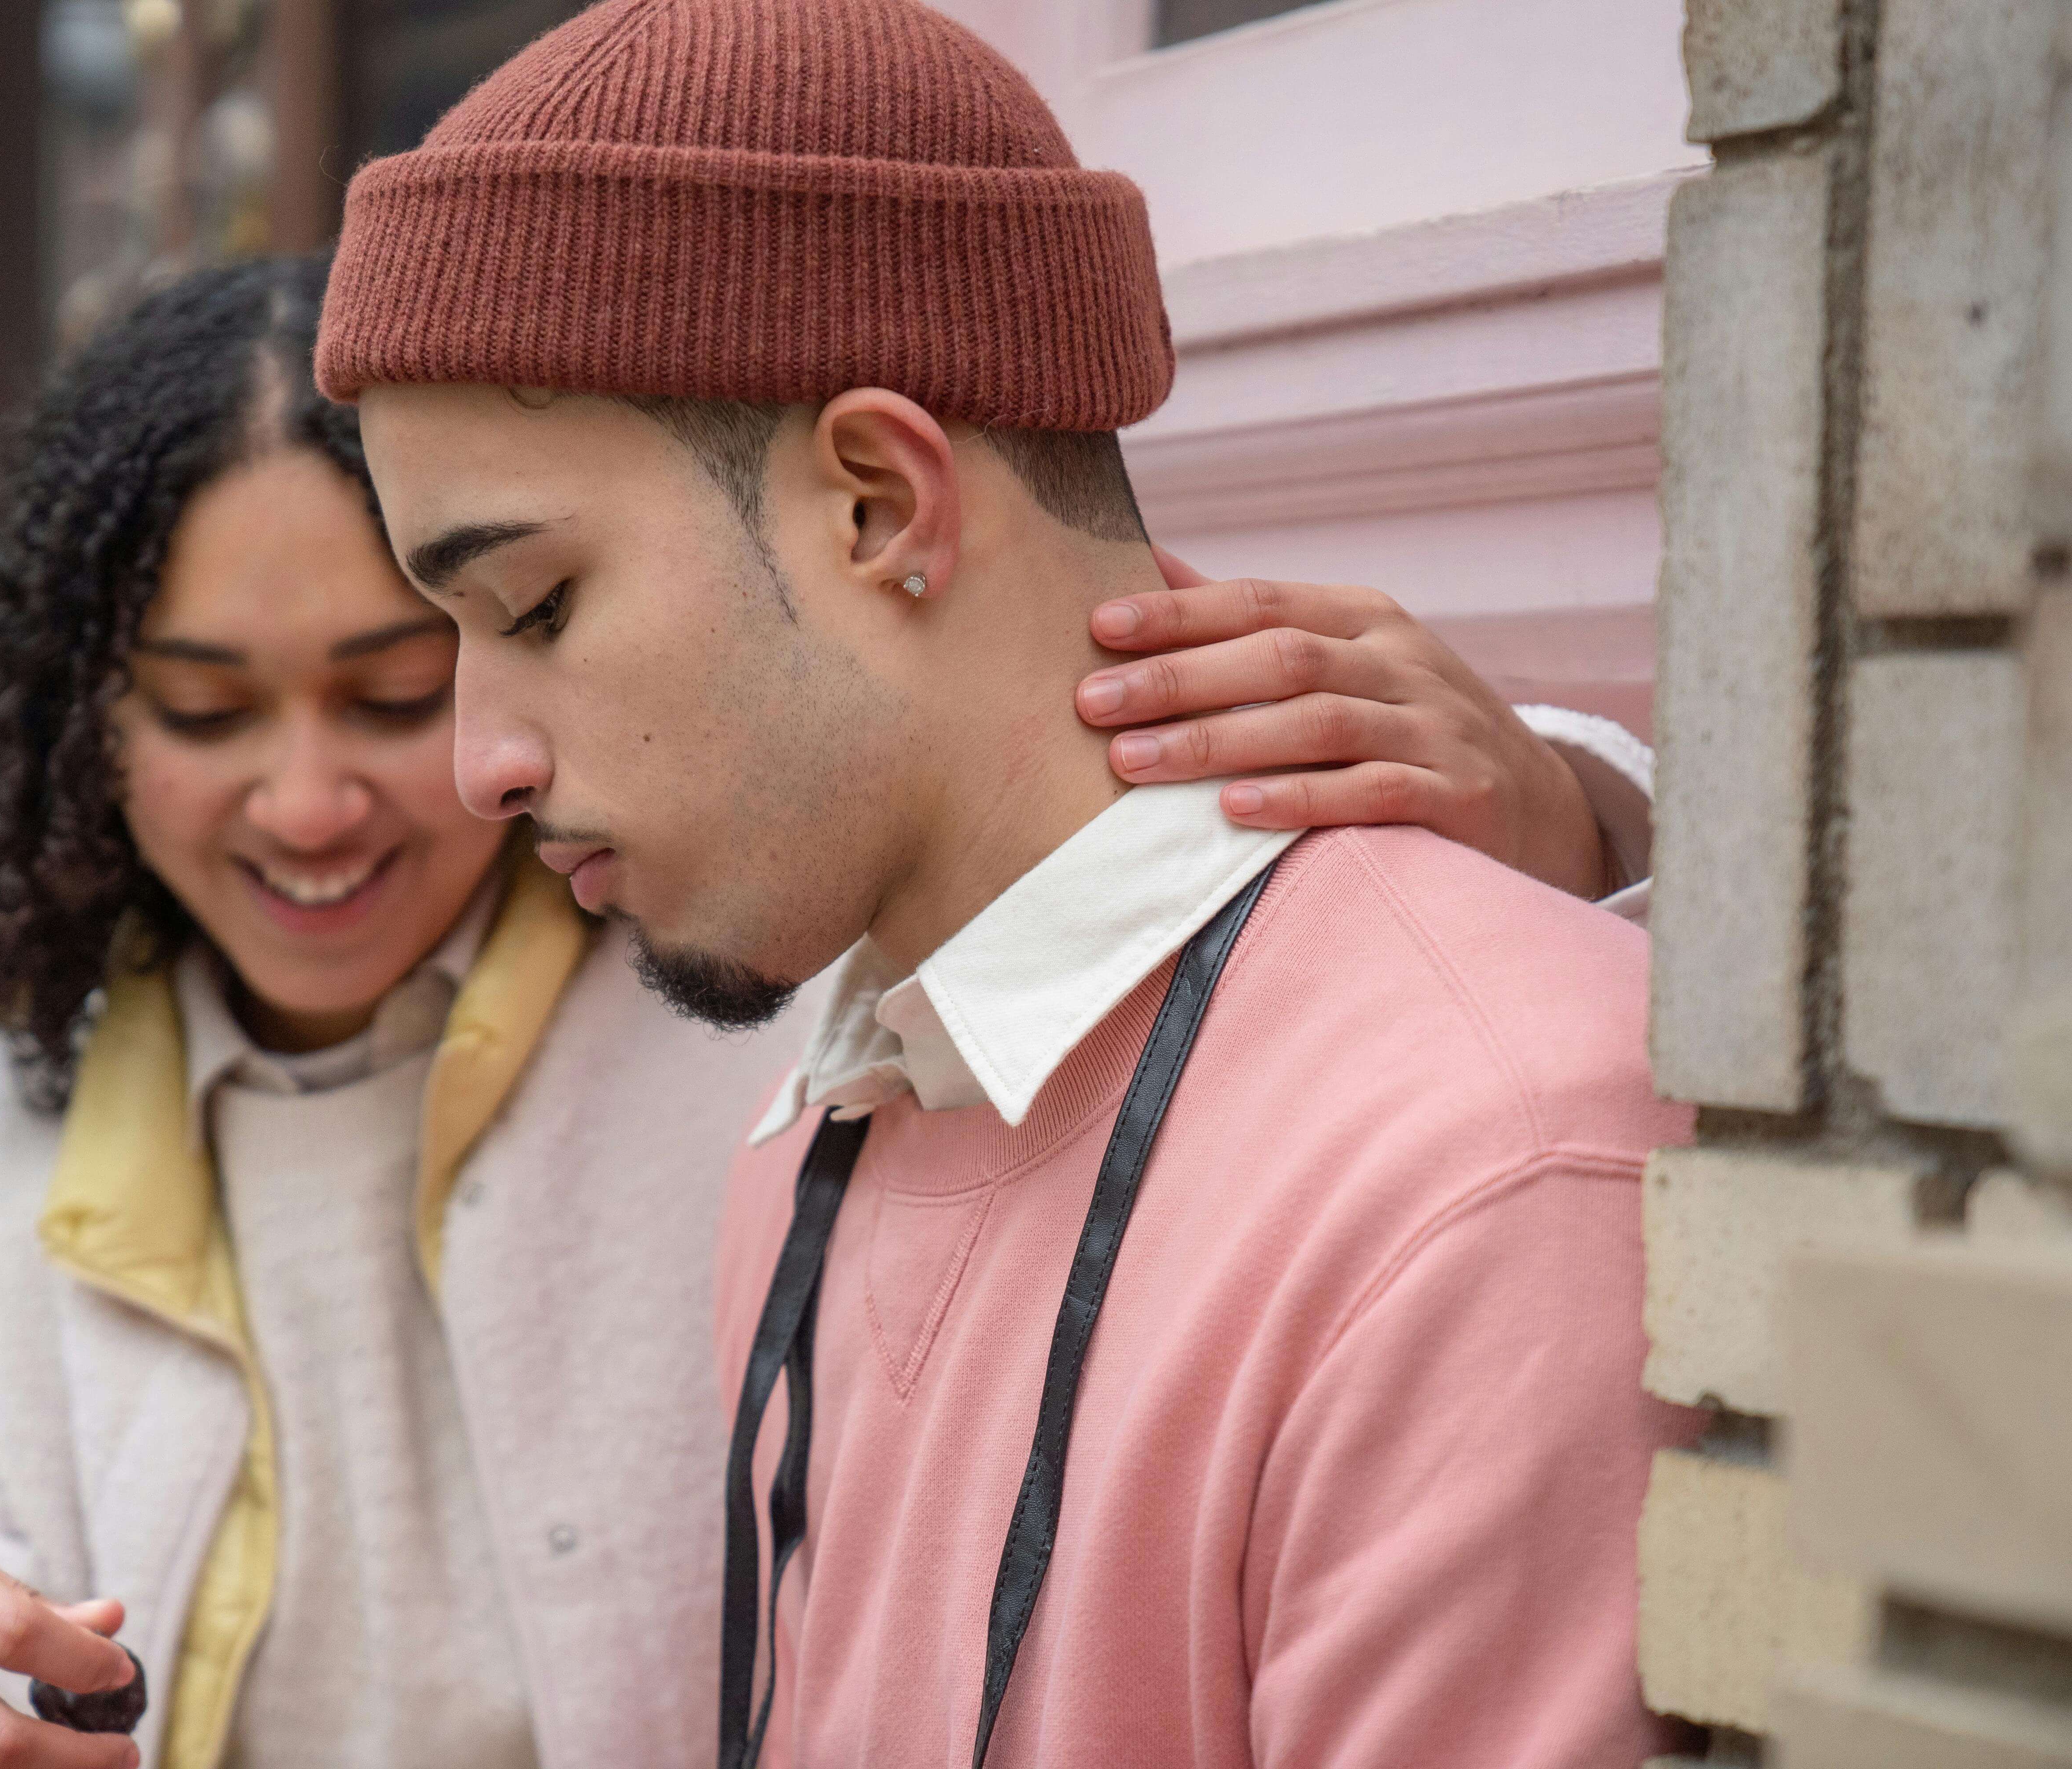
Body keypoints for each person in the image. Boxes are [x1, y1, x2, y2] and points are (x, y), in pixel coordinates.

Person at [0, 249, 1654, 1769]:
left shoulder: (751, 979)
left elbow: (1055, 785)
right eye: (206, 713)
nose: (344, 792)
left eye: (445, 657)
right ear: (72, 730)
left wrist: (1580, 796)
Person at [324, 1, 1696, 1764]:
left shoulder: (1485, 1174)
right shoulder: (829, 1119)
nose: (478, 763)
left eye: (532, 608)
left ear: (883, 503)